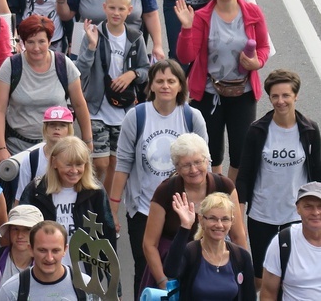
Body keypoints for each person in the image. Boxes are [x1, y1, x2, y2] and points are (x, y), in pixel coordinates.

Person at [108, 59, 208, 296]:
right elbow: (123, 164)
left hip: (187, 210)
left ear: (180, 86)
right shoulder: (137, 116)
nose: (165, 86)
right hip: (144, 210)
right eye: (159, 81)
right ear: (151, 85)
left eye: (171, 81)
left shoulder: (193, 117)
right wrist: (113, 209)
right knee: (146, 271)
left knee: (188, 268)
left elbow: (206, 164)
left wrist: (207, 207)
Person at [176, 0, 269, 181]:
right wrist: (187, 28)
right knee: (209, 150)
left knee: (240, 151)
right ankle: (213, 188)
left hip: (243, 92)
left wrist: (257, 63)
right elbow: (186, 56)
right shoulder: (202, 16)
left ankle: (231, 196)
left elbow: (263, 47)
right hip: (209, 92)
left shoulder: (253, 13)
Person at [236, 69, 321, 291]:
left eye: (285, 95)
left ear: (296, 96)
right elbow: (243, 177)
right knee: (262, 278)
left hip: (296, 215)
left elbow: (318, 174)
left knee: (293, 276)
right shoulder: (257, 131)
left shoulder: (310, 130)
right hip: (262, 215)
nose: (280, 101)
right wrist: (238, 219)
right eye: (275, 96)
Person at [142, 134, 247, 295]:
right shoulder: (165, 191)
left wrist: (241, 274)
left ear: (207, 161)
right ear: (176, 168)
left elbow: (238, 236)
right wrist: (163, 282)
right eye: (186, 165)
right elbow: (149, 244)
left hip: (216, 265)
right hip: (172, 267)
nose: (193, 170)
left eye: (198, 162)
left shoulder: (225, 186)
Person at [0, 15, 92, 170]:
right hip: (18, 146)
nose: (36, 48)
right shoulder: (11, 66)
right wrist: (1, 148)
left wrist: (87, 141)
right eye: (30, 42)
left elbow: (79, 104)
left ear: (50, 41)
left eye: (41, 41)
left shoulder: (64, 65)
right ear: (23, 42)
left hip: (58, 148)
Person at [75, 0, 149, 191]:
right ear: (105, 7)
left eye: (121, 9)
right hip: (97, 108)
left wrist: (132, 74)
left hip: (124, 109)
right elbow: (81, 70)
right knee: (100, 163)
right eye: (112, 8)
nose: (116, 13)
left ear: (129, 11)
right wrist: (91, 46)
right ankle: (92, 196)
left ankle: (104, 204)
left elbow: (145, 69)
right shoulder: (93, 33)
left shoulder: (136, 38)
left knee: (116, 163)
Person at [19, 136, 116, 265]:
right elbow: (22, 230)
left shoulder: (95, 192)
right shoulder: (36, 190)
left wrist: (108, 275)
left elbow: (107, 234)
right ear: (54, 162)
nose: (74, 171)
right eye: (68, 164)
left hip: (85, 274)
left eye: (79, 164)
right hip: (44, 268)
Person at [163, 192, 256, 301]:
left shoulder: (241, 256)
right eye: (213, 218)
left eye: (225, 219)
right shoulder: (191, 252)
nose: (219, 225)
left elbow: (249, 297)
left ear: (232, 221)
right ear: (201, 220)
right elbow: (170, 271)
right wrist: (185, 227)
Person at [0, 221, 87, 300]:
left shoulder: (86, 286)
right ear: (31, 250)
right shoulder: (11, 290)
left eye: (55, 251)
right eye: (42, 250)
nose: (49, 258)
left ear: (65, 250)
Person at [260, 181, 321, 301]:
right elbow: (268, 293)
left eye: (320, 206)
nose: (315, 212)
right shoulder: (283, 242)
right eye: (308, 206)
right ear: (298, 209)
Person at [13, 106, 76, 206]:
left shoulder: (77, 157)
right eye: (52, 124)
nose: (57, 128)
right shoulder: (31, 159)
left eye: (63, 125)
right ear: (45, 128)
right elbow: (21, 197)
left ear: (69, 129)